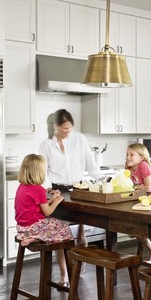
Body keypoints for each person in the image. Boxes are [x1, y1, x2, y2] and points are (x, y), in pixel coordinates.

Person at [39, 109, 99, 276]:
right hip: (57, 192)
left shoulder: (80, 139)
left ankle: (79, 267)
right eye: (65, 128)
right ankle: (64, 275)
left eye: (70, 127)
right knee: (61, 234)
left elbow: (91, 164)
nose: (68, 131)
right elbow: (42, 171)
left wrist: (101, 181)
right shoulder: (46, 145)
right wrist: (47, 187)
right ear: (55, 126)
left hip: (78, 189)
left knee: (81, 232)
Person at [14, 154, 74, 286]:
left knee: (54, 224)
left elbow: (37, 207)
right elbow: (47, 211)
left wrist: (51, 200)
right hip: (34, 227)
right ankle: (38, 237)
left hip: (22, 228)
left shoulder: (22, 187)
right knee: (63, 225)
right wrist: (57, 201)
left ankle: (35, 237)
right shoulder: (39, 189)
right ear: (39, 172)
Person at [125, 142, 151, 264]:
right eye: (127, 154)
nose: (128, 157)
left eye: (131, 155)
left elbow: (148, 187)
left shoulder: (143, 165)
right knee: (134, 228)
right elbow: (128, 187)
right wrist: (136, 187)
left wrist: (136, 187)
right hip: (141, 200)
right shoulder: (128, 168)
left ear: (141, 157)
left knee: (136, 228)